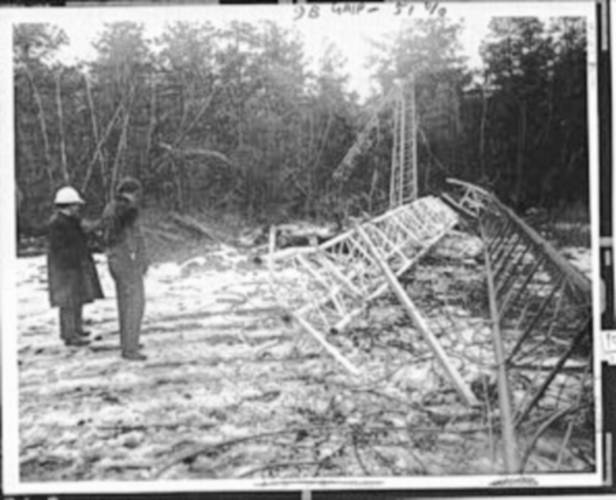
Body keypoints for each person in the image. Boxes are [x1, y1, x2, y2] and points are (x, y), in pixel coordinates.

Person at [47, 186, 104, 346]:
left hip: (74, 266)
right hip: (65, 269)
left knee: (78, 299)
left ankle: (77, 328)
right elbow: (60, 248)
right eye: (76, 205)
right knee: (68, 303)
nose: (78, 208)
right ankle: (69, 334)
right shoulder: (58, 223)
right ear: (69, 205)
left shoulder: (71, 221)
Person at [101, 177, 149, 361]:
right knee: (135, 303)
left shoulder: (110, 207)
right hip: (126, 260)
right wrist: (139, 259)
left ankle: (128, 342)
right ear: (133, 192)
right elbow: (133, 237)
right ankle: (130, 348)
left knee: (124, 302)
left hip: (114, 259)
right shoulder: (127, 210)